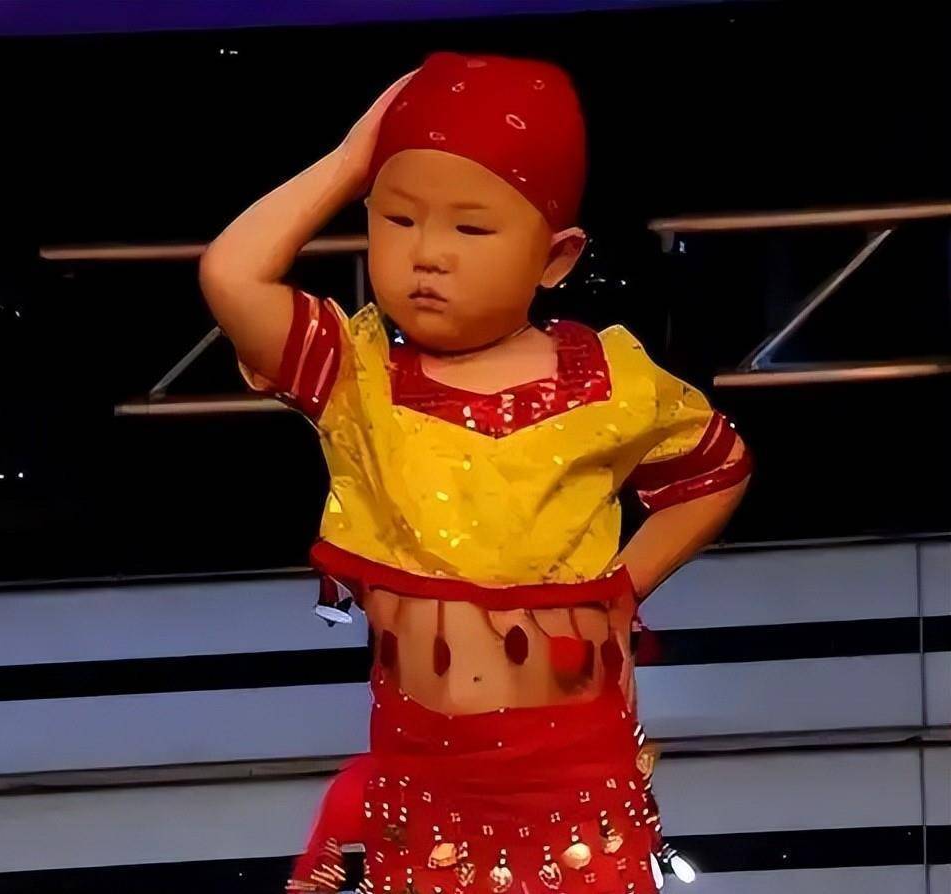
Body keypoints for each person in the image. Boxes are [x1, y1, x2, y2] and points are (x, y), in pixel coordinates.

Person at [200, 51, 751, 894]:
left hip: (576, 783)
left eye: (471, 229)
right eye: (397, 219)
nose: (427, 254)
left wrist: (620, 589)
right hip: (425, 786)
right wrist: (349, 160)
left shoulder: (611, 382)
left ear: (556, 258)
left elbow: (714, 471)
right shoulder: (354, 375)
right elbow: (231, 274)